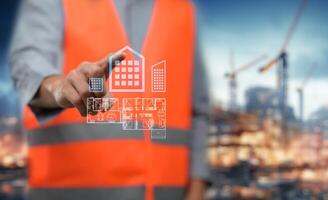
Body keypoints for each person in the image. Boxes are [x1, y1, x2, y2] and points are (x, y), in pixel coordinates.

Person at [9, 0, 210, 200]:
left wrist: (197, 182)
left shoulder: (181, 10)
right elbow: (28, 64)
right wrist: (59, 88)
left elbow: (198, 109)